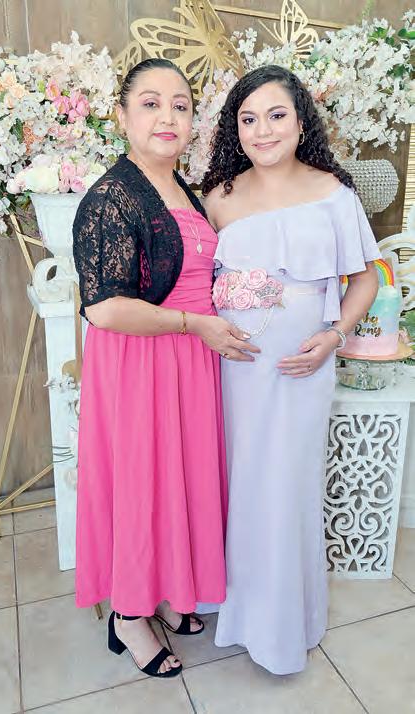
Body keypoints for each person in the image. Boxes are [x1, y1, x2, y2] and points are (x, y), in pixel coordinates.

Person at [72, 58, 259, 679]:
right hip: (140, 363)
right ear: (121, 116)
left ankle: (171, 589)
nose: (168, 116)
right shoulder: (111, 198)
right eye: (150, 103)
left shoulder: (185, 188)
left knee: (179, 481)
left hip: (189, 363)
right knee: (141, 484)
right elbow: (104, 308)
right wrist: (192, 325)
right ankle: (128, 615)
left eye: (180, 105)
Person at [202, 65, 380, 675]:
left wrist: (334, 335)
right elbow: (196, 283)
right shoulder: (219, 196)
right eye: (248, 119)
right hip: (235, 370)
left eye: (276, 115)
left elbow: (366, 279)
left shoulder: (334, 193)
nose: (263, 130)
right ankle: (236, 608)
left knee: (287, 486)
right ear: (235, 130)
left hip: (303, 368)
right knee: (240, 481)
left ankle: (283, 624)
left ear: (301, 121)